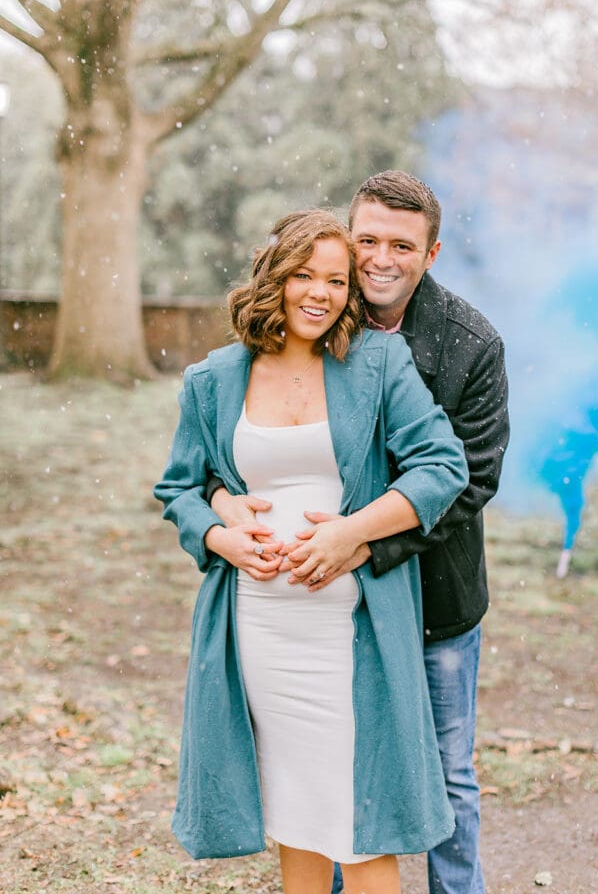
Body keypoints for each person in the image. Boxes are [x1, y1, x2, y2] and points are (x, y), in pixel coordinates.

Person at [208, 173, 510, 894]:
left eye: (400, 245)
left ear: (430, 254)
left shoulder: (470, 345)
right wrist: (222, 509)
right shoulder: (315, 326)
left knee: (446, 773)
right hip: (317, 605)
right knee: (334, 757)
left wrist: (361, 543)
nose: (380, 258)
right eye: (366, 239)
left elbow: (466, 479)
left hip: (433, 597)